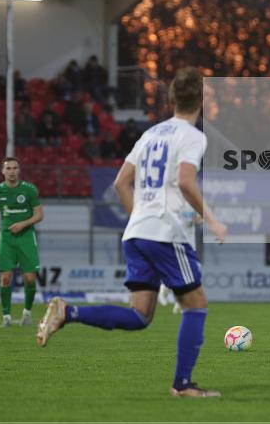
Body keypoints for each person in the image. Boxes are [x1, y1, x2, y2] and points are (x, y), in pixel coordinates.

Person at [36, 67, 229, 399]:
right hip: (165, 233)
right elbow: (185, 181)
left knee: (140, 315)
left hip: (138, 231)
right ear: (201, 100)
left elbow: (120, 183)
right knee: (196, 304)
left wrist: (141, 216)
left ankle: (68, 312)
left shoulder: (150, 133)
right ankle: (182, 385)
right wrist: (210, 218)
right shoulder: (193, 136)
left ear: (169, 99)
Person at [0, 157, 44, 327]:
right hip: (6, 238)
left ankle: (27, 313)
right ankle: (6, 317)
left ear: (19, 170)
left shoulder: (29, 190)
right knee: (5, 277)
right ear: (3, 171)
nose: (12, 171)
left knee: (29, 278)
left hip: (26, 237)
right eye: (8, 168)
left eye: (15, 168)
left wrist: (23, 224)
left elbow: (39, 215)